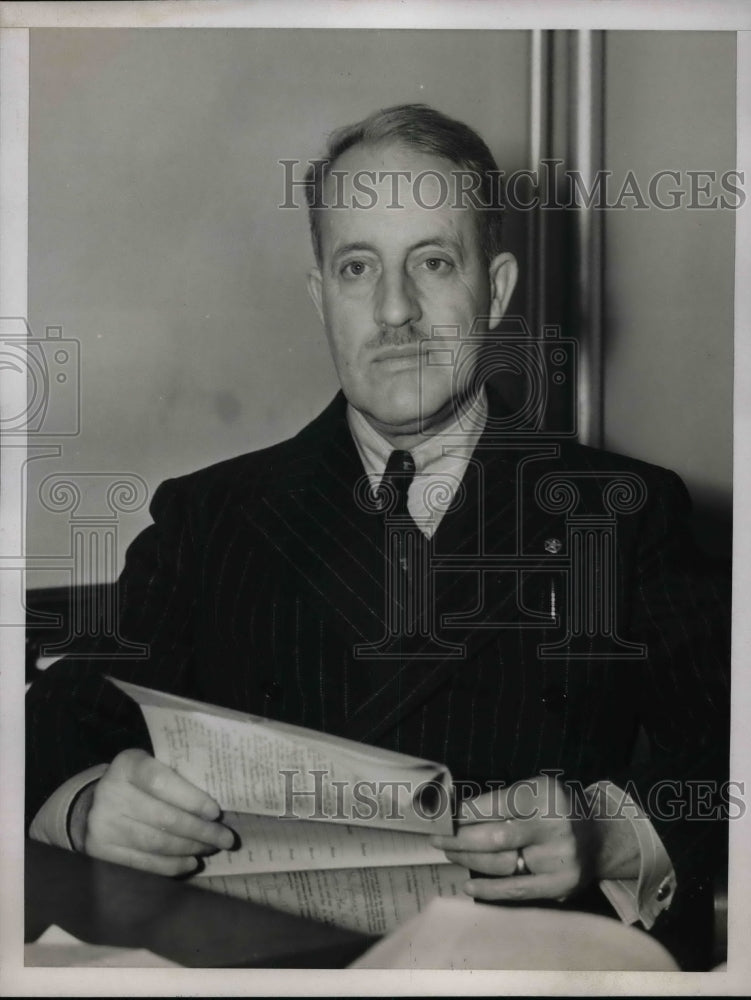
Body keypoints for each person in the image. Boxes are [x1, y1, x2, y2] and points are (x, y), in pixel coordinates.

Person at [26, 104, 729, 967]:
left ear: (497, 290)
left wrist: (612, 833)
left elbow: (723, 758)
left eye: (433, 261)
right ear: (322, 296)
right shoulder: (210, 519)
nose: (394, 311)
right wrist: (91, 803)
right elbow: (54, 723)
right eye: (358, 267)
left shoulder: (622, 512)